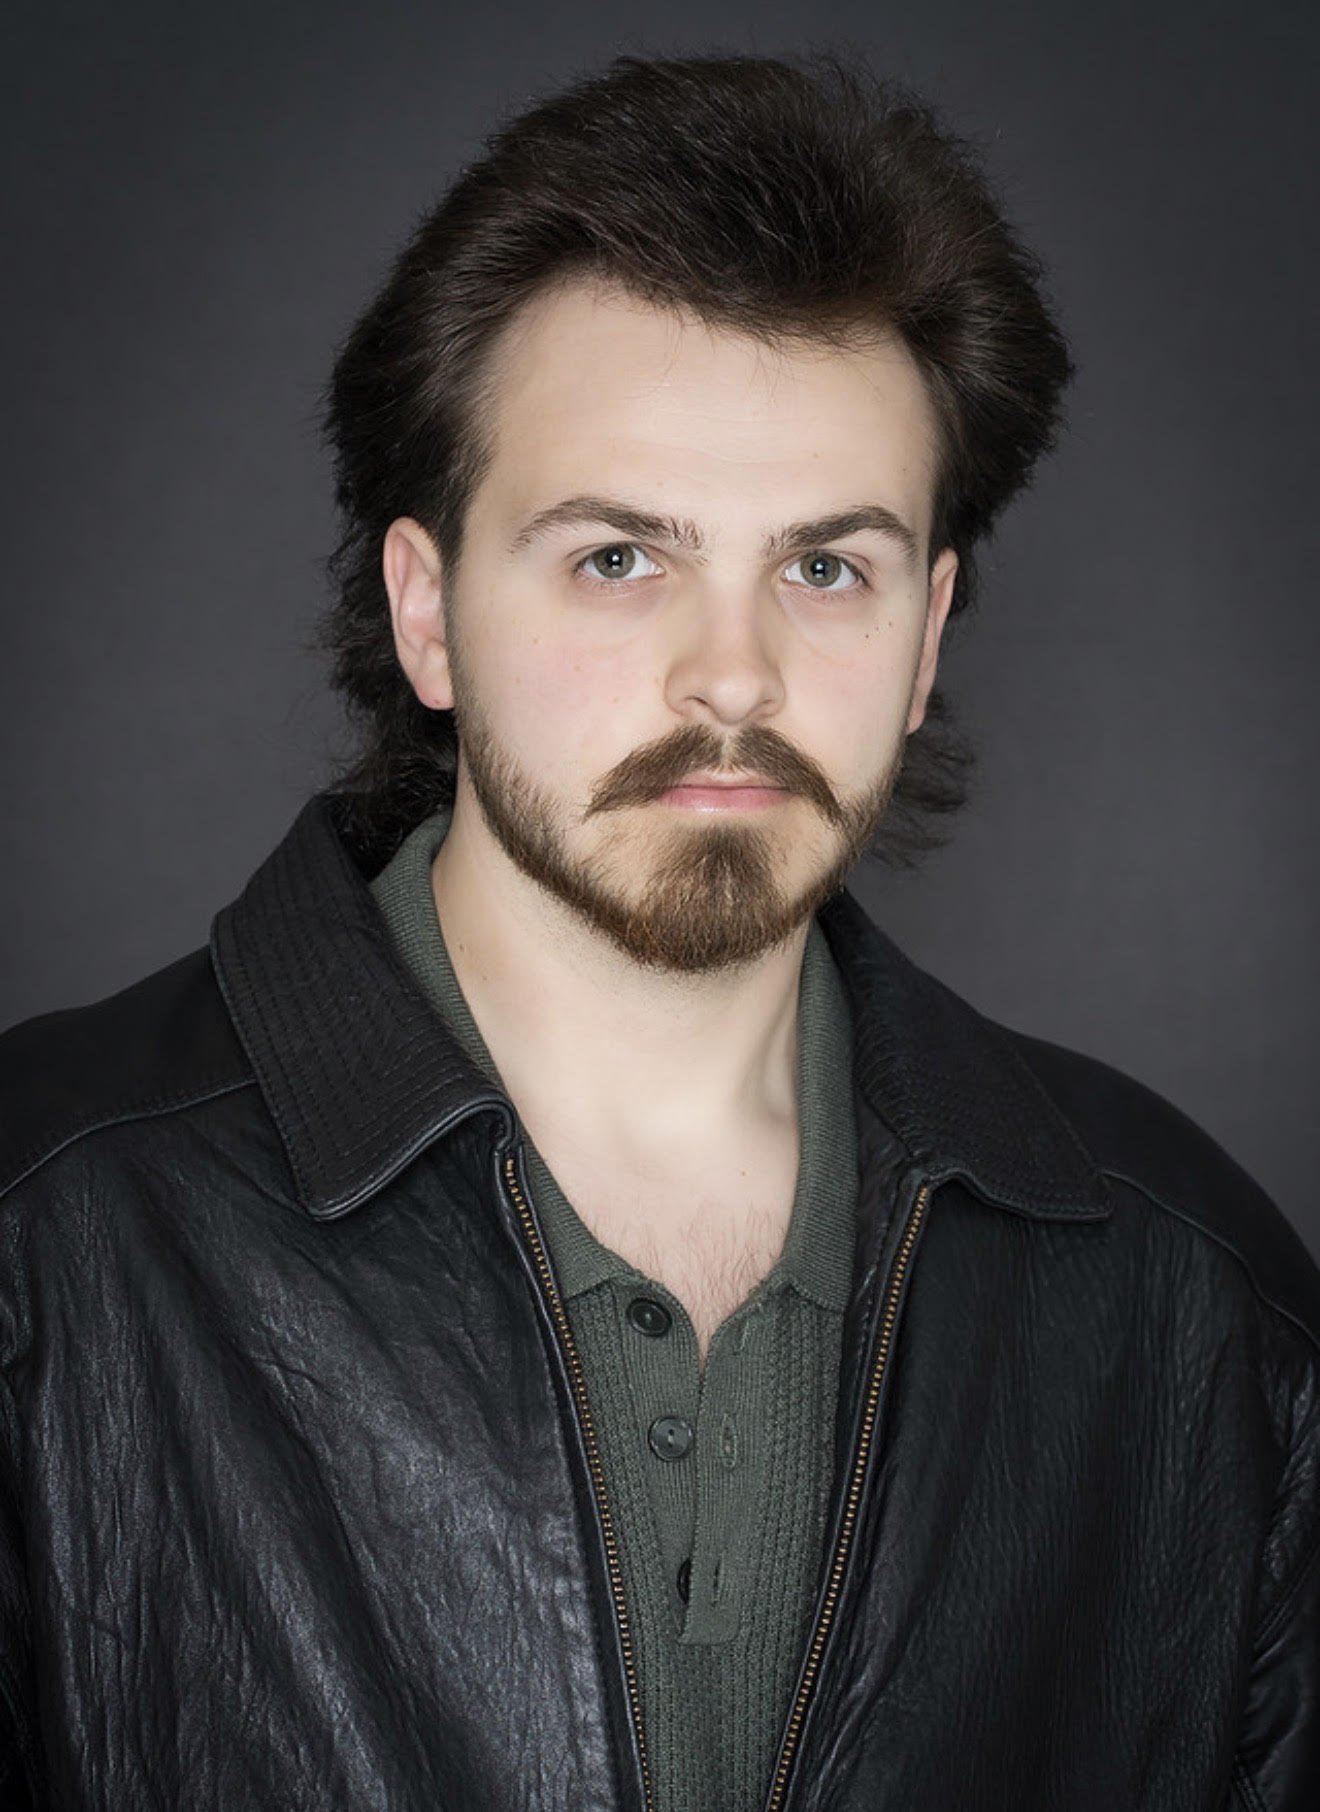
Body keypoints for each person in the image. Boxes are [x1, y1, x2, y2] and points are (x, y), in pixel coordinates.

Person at [0, 49, 1315, 1812]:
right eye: (619, 557)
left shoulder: (1200, 1307)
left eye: (825, 567)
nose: (733, 676)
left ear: (927, 635)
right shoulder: (43, 1241)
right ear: (428, 614)